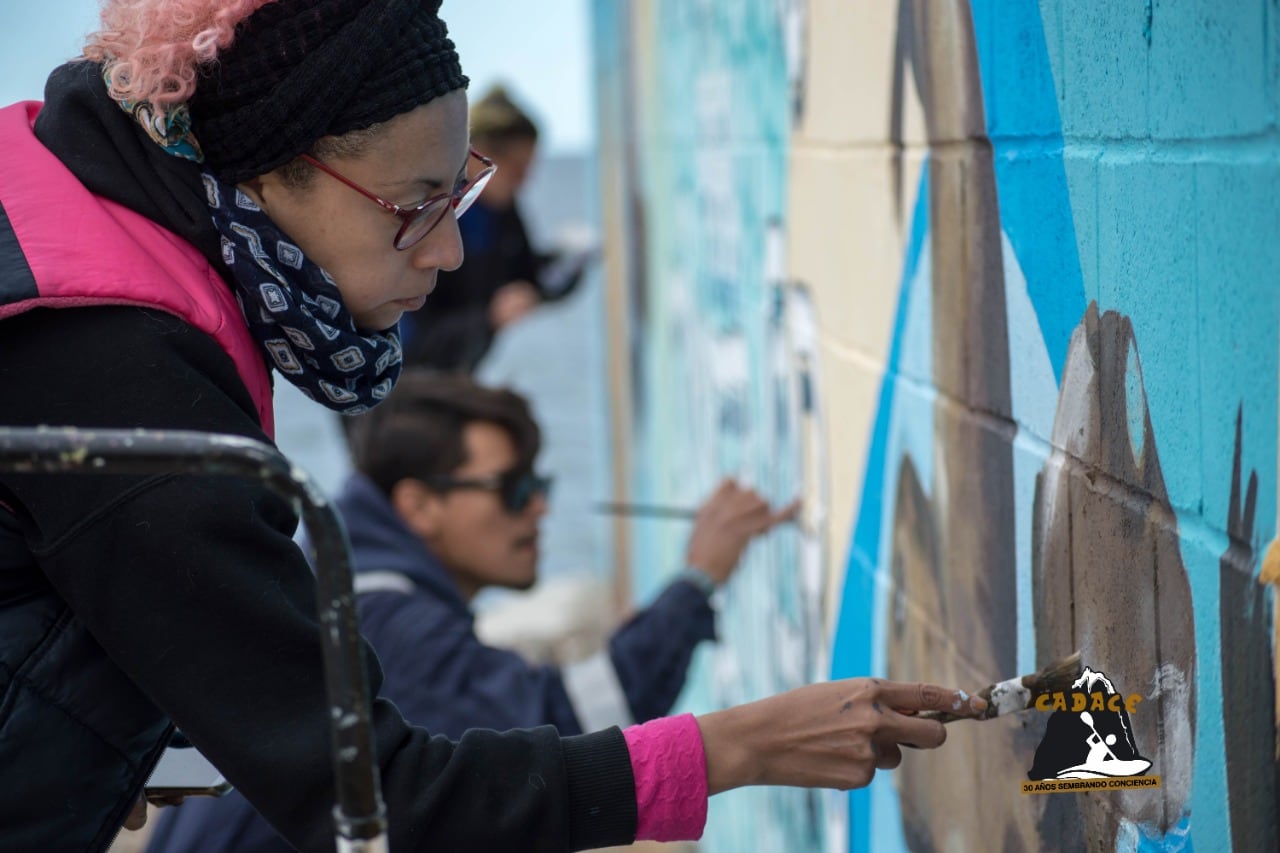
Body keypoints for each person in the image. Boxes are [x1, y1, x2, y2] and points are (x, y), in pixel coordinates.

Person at [0, 1, 986, 850]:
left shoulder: (64, 226)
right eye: (416, 208)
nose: (452, 253)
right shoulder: (123, 367)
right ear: (264, 173)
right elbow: (377, 801)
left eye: (459, 194)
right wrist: (736, 747)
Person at [150, 370, 800, 851]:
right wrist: (698, 576)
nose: (538, 507)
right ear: (419, 506)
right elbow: (579, 721)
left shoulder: (348, 588)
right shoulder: (386, 626)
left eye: (539, 485)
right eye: (514, 488)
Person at [398, 84, 590, 372]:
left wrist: (574, 260)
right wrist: (489, 318)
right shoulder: (428, 216)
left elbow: (528, 277)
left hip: (456, 376)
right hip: (399, 386)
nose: (525, 182)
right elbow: (408, 340)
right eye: (516, 170)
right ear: (476, 155)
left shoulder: (503, 209)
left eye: (529, 169)